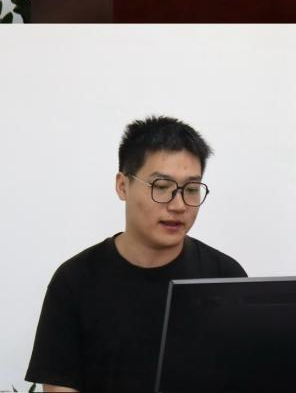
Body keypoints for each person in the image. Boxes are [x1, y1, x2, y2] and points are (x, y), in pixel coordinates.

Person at [25, 116, 245, 392]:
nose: (178, 205)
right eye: (162, 187)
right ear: (123, 186)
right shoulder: (75, 280)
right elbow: (59, 386)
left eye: (191, 190)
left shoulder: (224, 277)